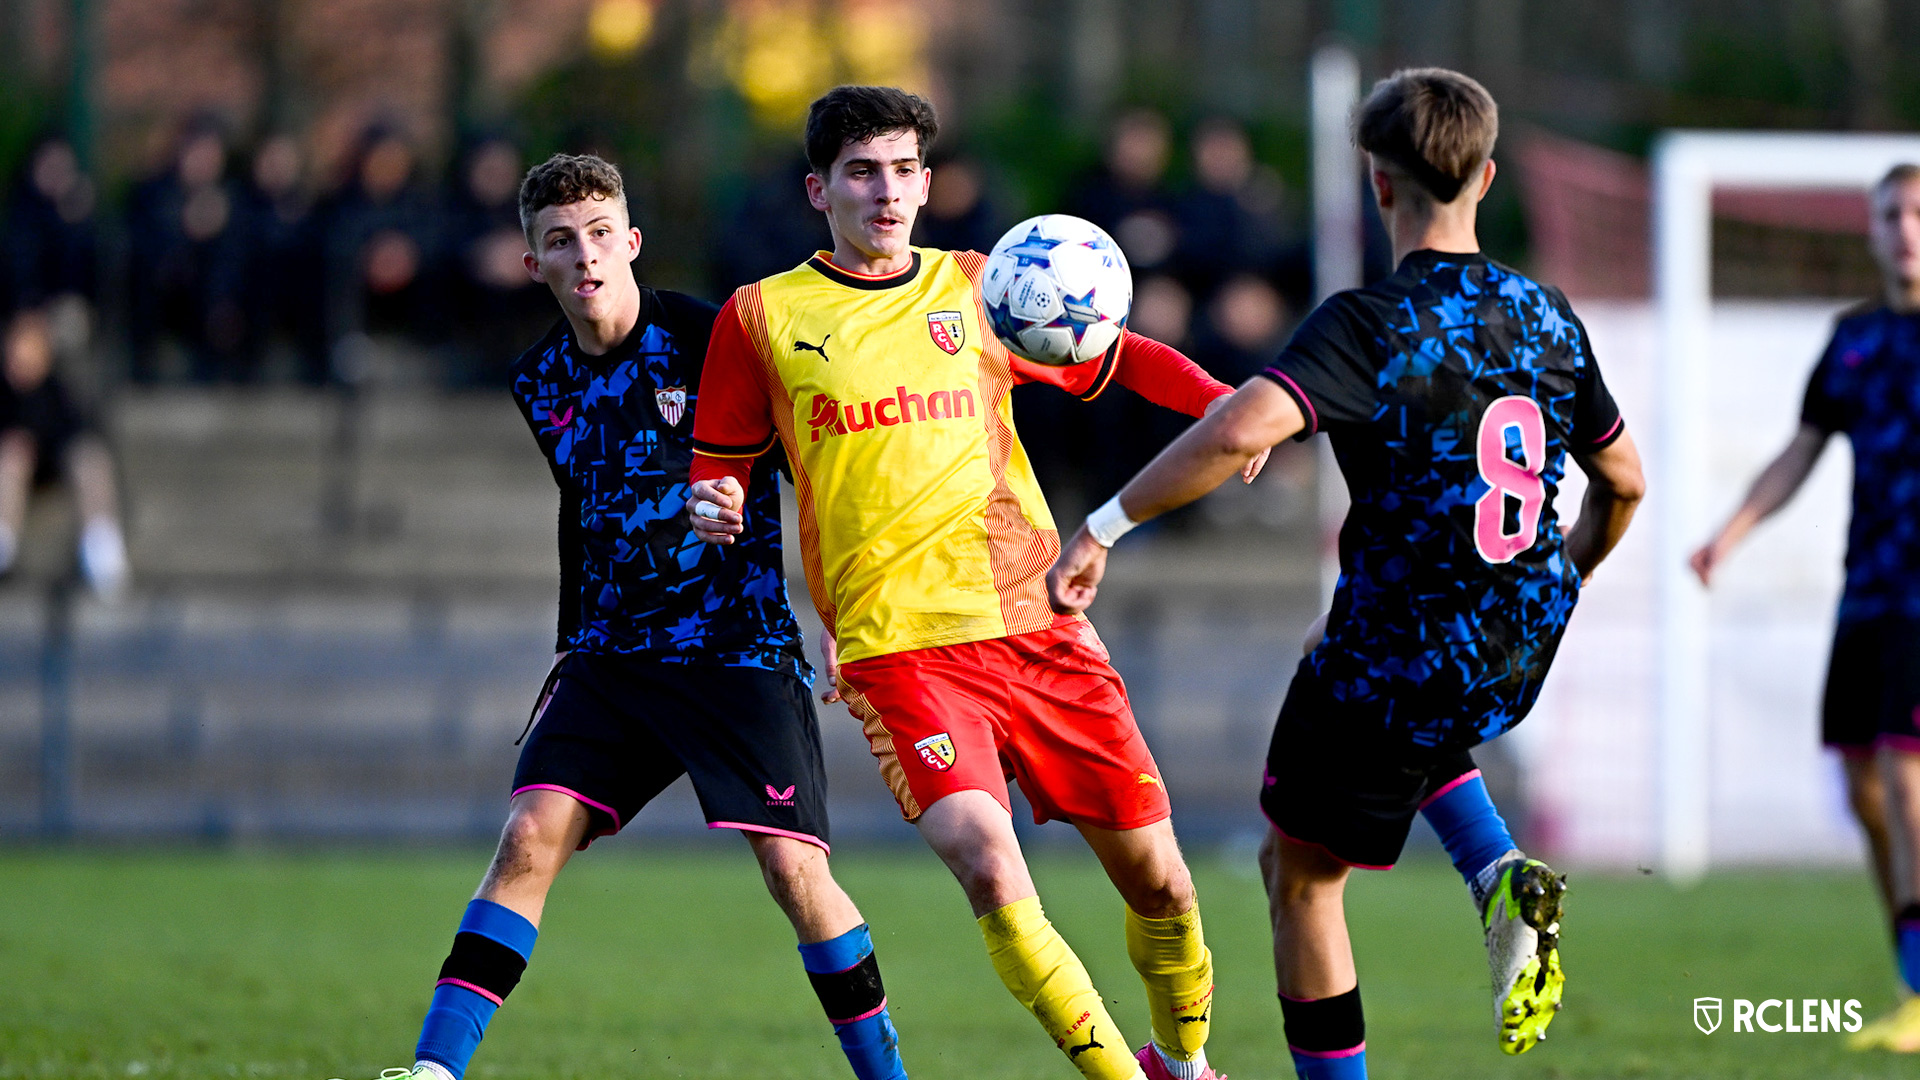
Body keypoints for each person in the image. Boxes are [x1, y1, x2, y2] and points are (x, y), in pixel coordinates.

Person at [1047, 69, 1645, 1079]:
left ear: (1377, 185)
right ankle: (1497, 871)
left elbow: (1241, 427)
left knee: (1300, 877)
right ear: (1486, 177)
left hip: (1403, 650)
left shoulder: (1369, 323)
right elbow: (1622, 480)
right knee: (1371, 673)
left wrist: (1104, 524)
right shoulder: (1547, 316)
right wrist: (1563, 578)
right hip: (1516, 638)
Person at [689, 85, 1262, 1080]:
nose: (887, 192)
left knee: (1163, 885)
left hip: (1040, 625)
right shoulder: (762, 318)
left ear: (926, 181)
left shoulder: (987, 288)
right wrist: (714, 505)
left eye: (905, 170)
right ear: (818, 187)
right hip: (899, 651)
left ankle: (1188, 1060)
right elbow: (716, 470)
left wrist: (1220, 404)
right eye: (863, 172)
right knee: (994, 870)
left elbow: (1115, 356)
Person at [345, 153, 908, 1080]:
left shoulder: (714, 335)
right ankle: (434, 1072)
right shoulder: (539, 383)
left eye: (601, 234)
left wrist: (833, 599)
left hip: (735, 649)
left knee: (796, 877)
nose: (586, 256)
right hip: (613, 655)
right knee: (527, 839)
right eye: (560, 242)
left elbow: (812, 465)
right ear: (534, 265)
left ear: (633, 242)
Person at [1691, 162, 1920, 1053]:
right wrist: (1731, 532)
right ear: (1868, 229)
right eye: (1889, 213)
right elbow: (1802, 452)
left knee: (1905, 774)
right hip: (1865, 589)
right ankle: (1909, 966)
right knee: (1863, 782)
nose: (1903, 228)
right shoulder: (1854, 340)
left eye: (1916, 213)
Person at [0, 307, 128, 595]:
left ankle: (102, 548)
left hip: (55, 467)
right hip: (15, 472)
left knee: (91, 459)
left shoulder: (58, 390)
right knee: (12, 456)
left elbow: (78, 432)